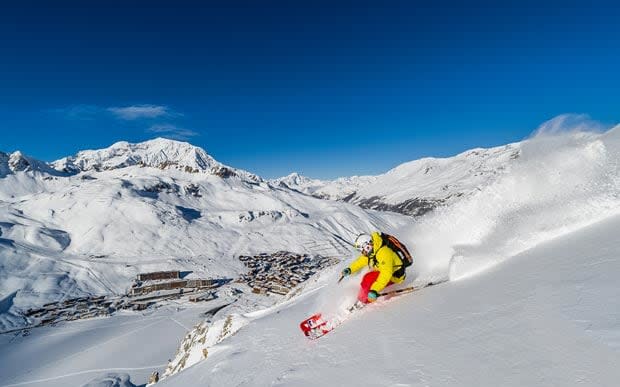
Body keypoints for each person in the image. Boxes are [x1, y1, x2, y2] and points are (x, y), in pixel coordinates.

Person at [341, 232, 407, 304]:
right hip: (383, 271)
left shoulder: (384, 253)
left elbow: (386, 274)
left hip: (395, 277)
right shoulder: (373, 250)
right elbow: (361, 261)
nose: (363, 253)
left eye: (363, 250)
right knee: (367, 277)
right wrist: (350, 269)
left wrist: (374, 290)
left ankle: (365, 300)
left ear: (367, 246)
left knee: (368, 279)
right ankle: (362, 297)